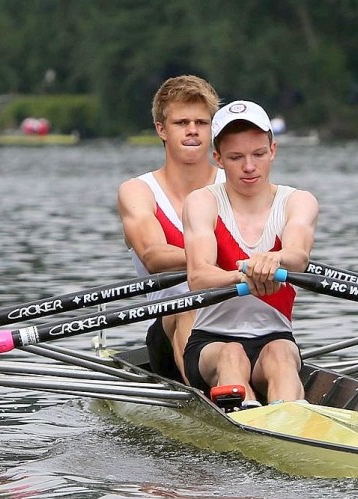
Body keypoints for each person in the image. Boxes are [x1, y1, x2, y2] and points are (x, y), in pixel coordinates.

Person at [181, 100, 319, 407]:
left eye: (258, 154)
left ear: (273, 150)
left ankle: (289, 422)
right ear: (217, 158)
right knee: (232, 354)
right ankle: (248, 414)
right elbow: (198, 276)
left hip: (276, 338)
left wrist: (275, 260)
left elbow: (298, 257)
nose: (249, 166)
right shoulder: (202, 202)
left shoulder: (298, 201)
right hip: (211, 341)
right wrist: (244, 276)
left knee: (281, 355)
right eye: (235, 157)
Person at [116, 75, 224, 382]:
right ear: (161, 129)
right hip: (170, 325)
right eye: (182, 123)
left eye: (201, 123)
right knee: (185, 307)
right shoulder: (138, 191)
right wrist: (222, 256)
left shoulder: (233, 185)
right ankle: (211, 404)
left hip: (233, 324)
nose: (192, 131)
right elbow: (153, 255)